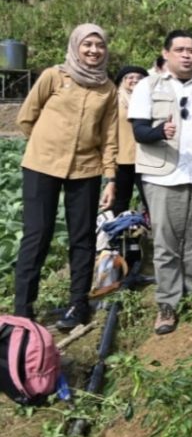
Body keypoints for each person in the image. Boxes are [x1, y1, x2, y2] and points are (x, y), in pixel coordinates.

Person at [14, 23, 118, 329]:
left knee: (82, 237)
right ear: (75, 46)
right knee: (37, 234)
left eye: (99, 45)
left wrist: (110, 178)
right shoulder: (54, 76)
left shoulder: (107, 89)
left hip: (86, 168)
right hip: (41, 166)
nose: (94, 51)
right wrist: (46, 145)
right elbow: (26, 116)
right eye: (87, 44)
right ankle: (22, 310)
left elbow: (109, 137)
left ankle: (77, 305)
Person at [128, 29, 192, 335]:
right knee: (166, 245)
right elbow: (139, 132)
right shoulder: (148, 86)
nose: (187, 55)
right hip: (163, 176)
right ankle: (168, 303)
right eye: (180, 50)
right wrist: (160, 132)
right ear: (166, 53)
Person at [113, 65, 149, 214]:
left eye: (140, 78)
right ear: (122, 81)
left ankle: (149, 227)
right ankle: (118, 227)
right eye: (130, 77)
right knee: (120, 200)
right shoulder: (114, 100)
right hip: (121, 157)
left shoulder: (151, 99)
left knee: (150, 200)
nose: (135, 80)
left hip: (147, 157)